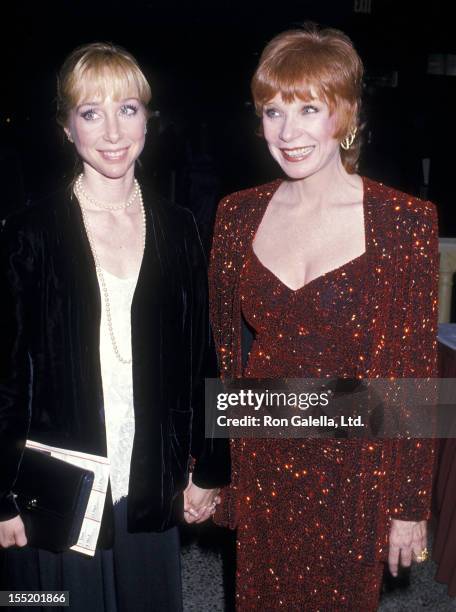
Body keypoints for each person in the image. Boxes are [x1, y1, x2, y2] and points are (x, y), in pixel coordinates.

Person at [208, 24, 438, 611]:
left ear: (346, 114)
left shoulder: (404, 223)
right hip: (262, 457)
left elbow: (415, 375)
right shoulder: (237, 215)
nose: (288, 133)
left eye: (309, 108)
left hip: (354, 471)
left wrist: (409, 506)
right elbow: (220, 351)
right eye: (272, 112)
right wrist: (211, 468)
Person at [0, 42, 230, 611]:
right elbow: (3, 373)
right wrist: (1, 494)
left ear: (148, 120)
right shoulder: (29, 231)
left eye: (127, 108)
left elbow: (204, 355)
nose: (112, 131)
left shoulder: (179, 228)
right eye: (90, 112)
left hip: (151, 471)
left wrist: (212, 466)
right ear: (65, 127)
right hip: (55, 484)